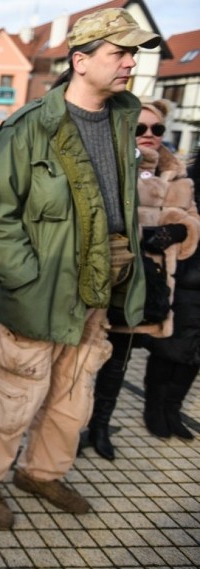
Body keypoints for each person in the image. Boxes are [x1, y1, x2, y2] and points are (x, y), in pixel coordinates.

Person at [0, 8, 160, 529]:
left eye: (133, 53)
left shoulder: (122, 121)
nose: (130, 63)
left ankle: (42, 473)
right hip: (38, 295)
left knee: (74, 397)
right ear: (80, 60)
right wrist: (28, 278)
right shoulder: (31, 128)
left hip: (97, 293)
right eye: (119, 52)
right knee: (14, 398)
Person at [87, 99, 199, 458]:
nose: (149, 135)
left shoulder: (176, 172)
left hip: (147, 288)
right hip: (107, 282)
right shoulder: (111, 165)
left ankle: (100, 427)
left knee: (118, 362)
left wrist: (179, 232)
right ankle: (63, 430)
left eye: (157, 129)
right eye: (140, 128)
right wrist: (135, 237)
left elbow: (192, 218)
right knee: (82, 361)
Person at [140, 113, 200, 441]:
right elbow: (185, 216)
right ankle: (154, 407)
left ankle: (173, 409)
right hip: (189, 273)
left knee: (195, 354)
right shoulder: (191, 177)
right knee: (171, 346)